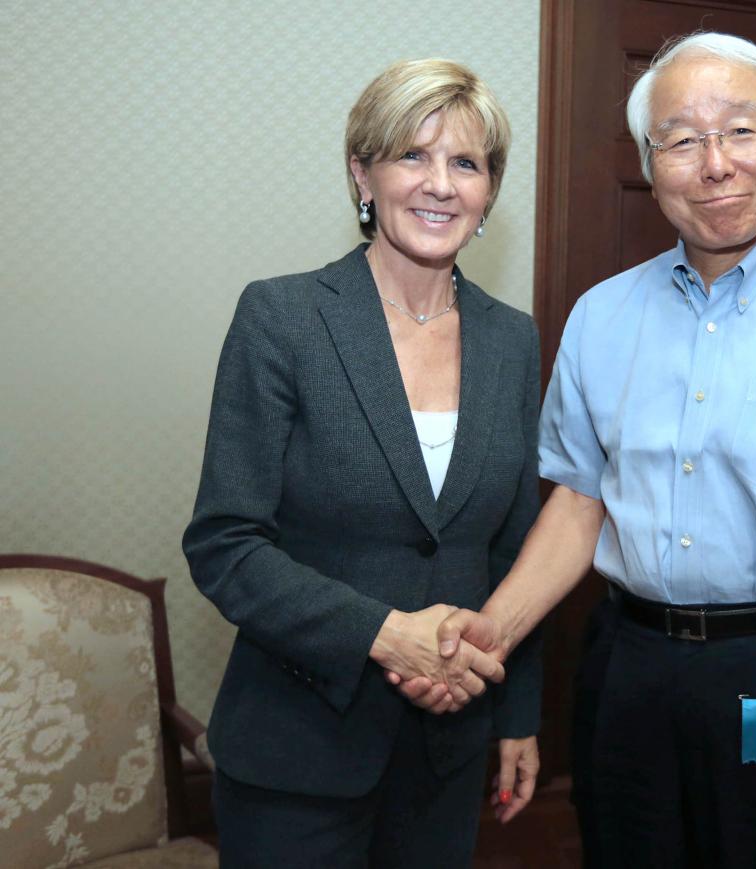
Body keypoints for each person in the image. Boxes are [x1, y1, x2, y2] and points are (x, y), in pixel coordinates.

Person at [398, 31, 756, 868]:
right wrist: (486, 640)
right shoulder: (600, 317)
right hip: (631, 673)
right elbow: (581, 504)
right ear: (649, 163)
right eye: (684, 139)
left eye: (743, 130)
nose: (717, 163)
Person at [182, 58, 541, 868]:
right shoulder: (283, 317)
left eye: (466, 163)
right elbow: (225, 543)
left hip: (449, 753)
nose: (439, 184)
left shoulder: (512, 339)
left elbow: (515, 548)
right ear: (362, 174)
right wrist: (382, 634)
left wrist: (519, 712)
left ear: (489, 191)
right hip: (298, 753)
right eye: (412, 156)